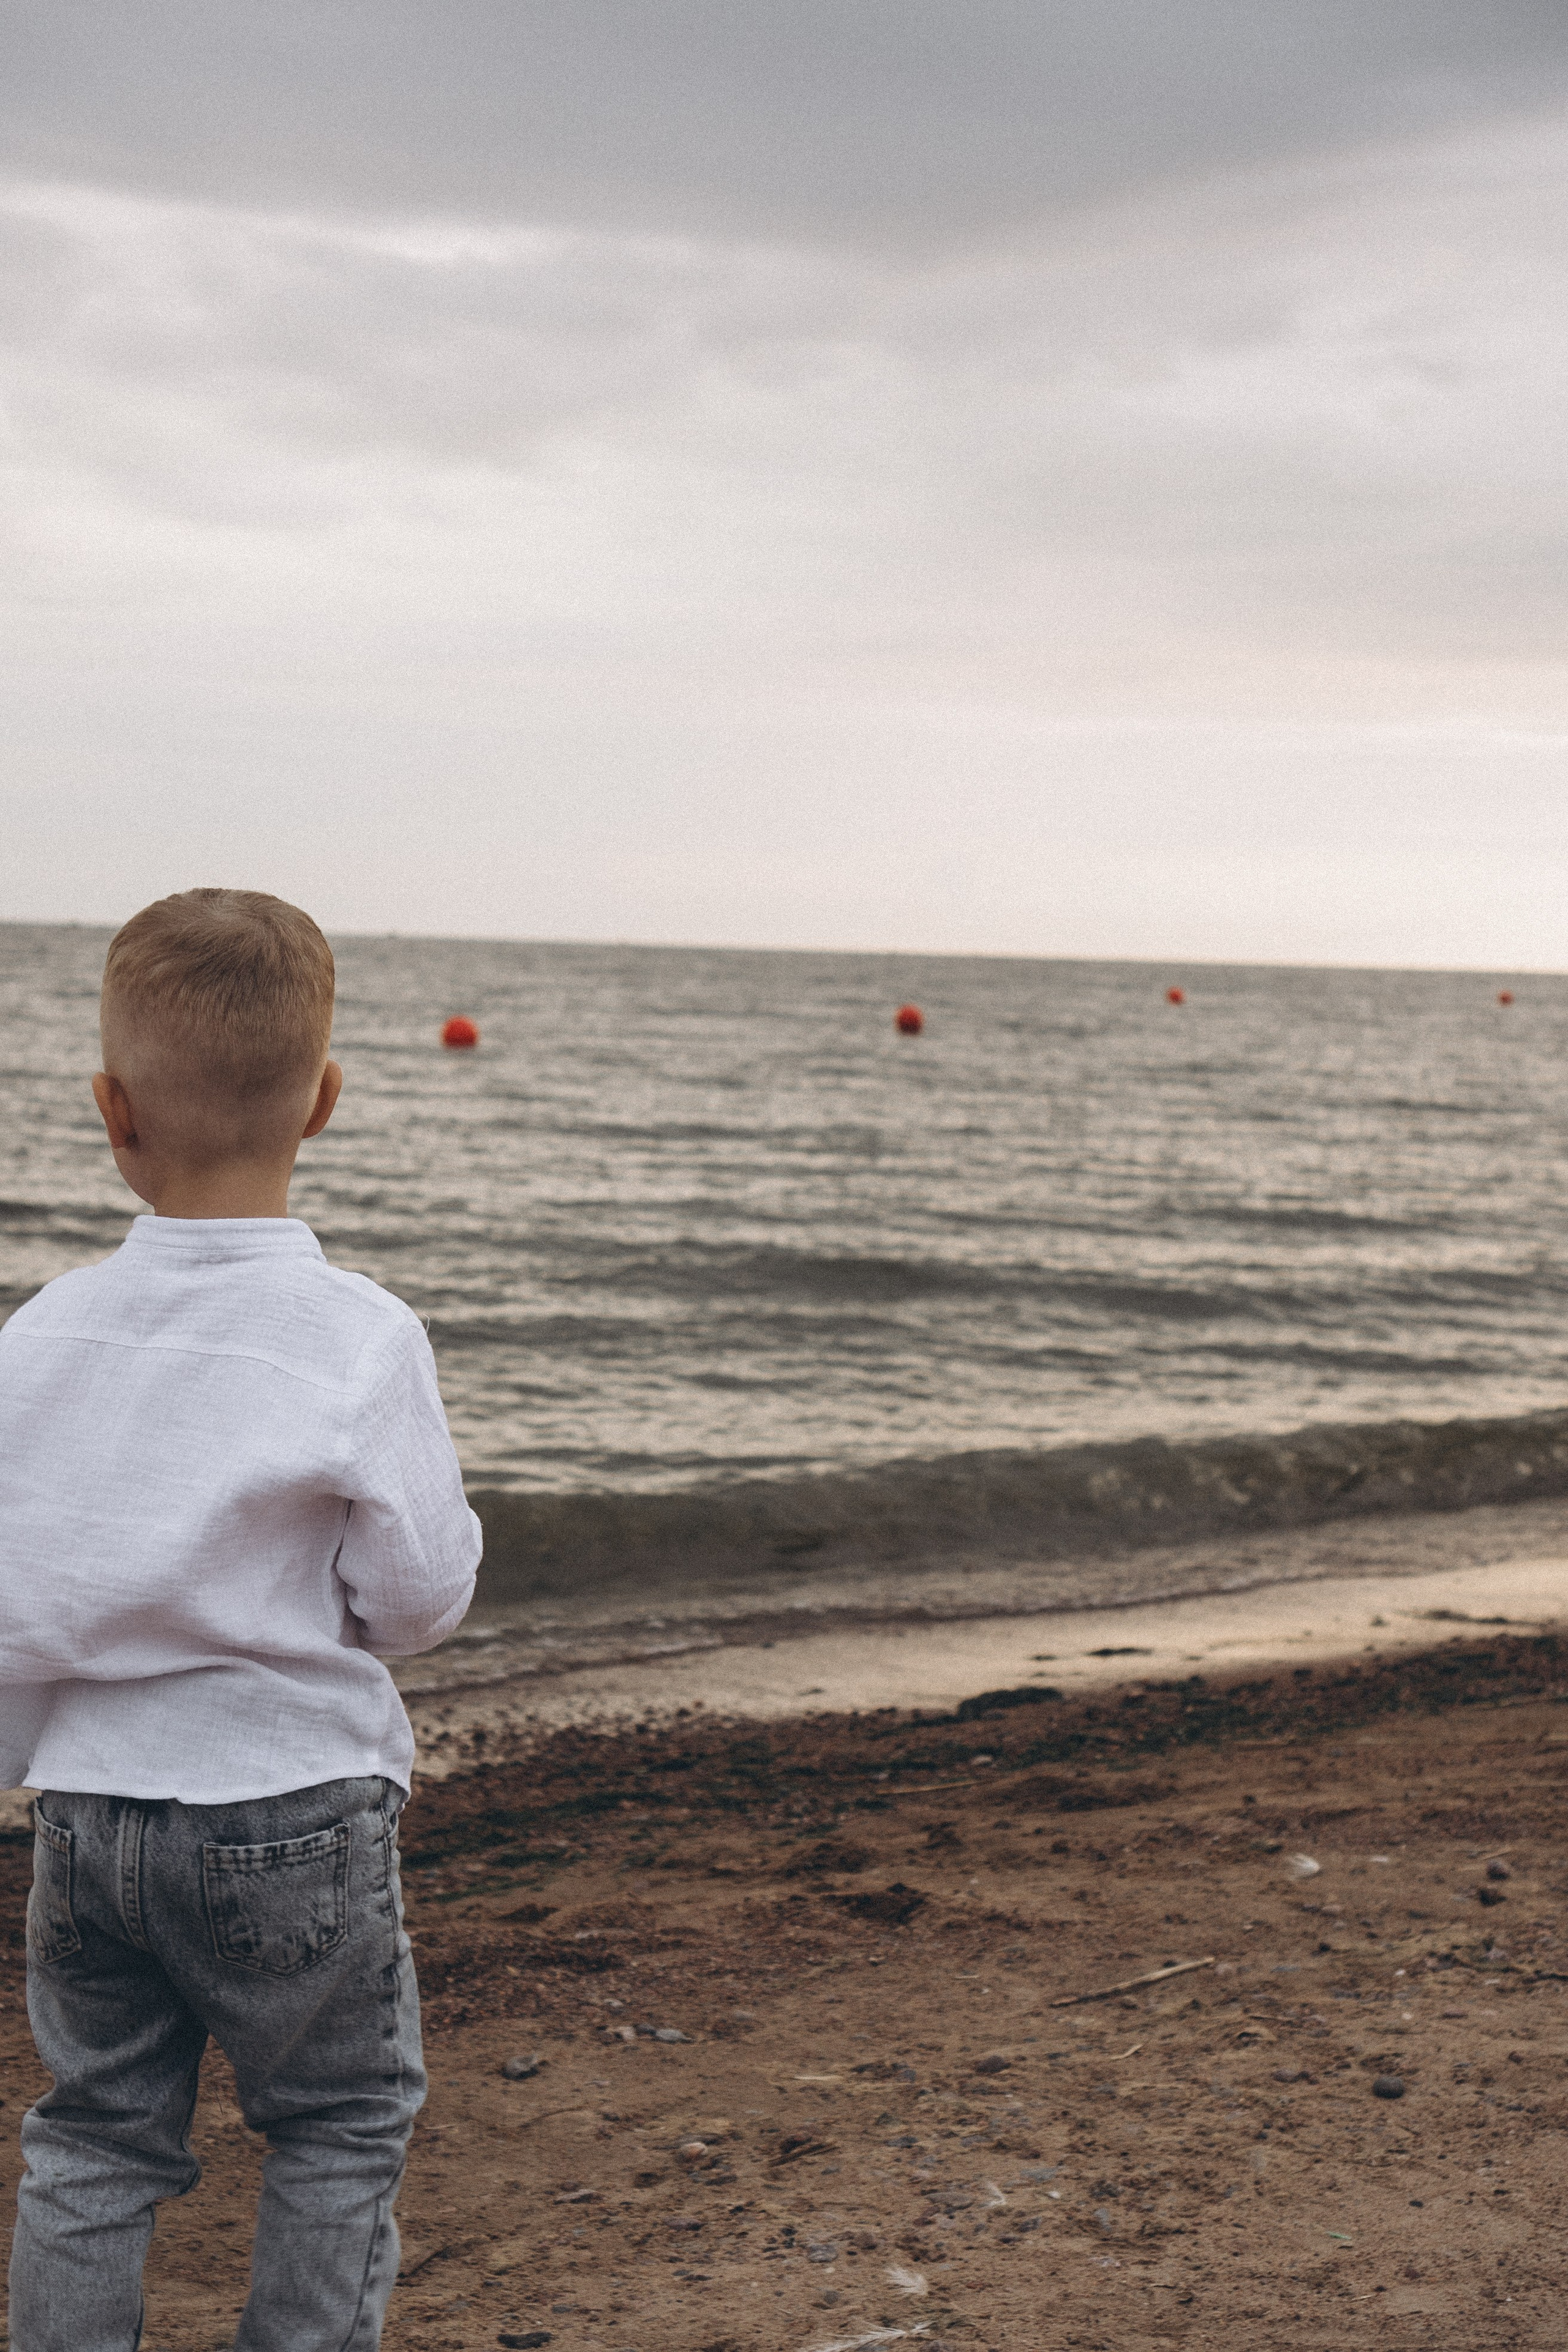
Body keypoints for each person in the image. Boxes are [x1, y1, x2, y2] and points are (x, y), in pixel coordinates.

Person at [0, 889, 481, 2352]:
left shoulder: (43, 1332)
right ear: (323, 1101)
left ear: (109, 1112)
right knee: (336, 2123)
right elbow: (417, 1599)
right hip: (293, 1806)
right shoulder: (358, 1334)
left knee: (92, 2138)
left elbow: (16, 1601)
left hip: (90, 1814)